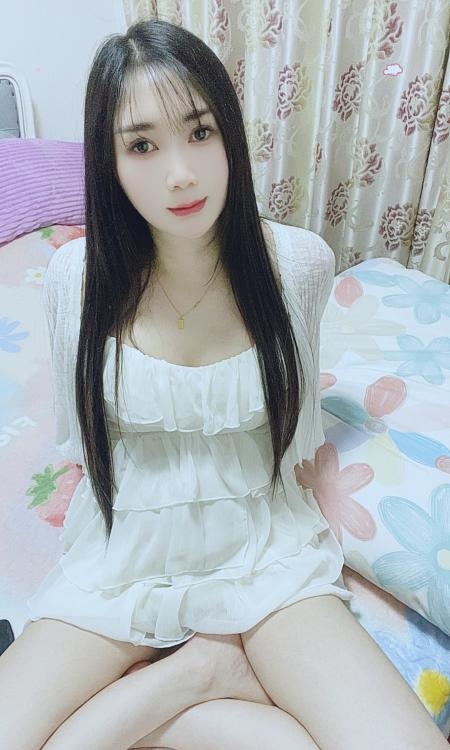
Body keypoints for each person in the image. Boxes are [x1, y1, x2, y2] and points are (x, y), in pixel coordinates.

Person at [0, 17, 447, 750]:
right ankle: (195, 676)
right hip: (124, 552)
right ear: (110, 163)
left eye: (199, 131)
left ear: (230, 135)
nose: (180, 172)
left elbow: (295, 434)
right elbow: (82, 439)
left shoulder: (298, 264)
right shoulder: (74, 281)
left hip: (264, 547)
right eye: (142, 145)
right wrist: (178, 678)